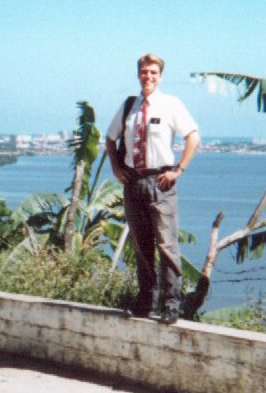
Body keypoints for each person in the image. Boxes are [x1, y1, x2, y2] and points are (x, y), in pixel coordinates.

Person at [105, 53, 200, 324]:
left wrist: (178, 169)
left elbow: (193, 137)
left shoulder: (171, 104)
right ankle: (146, 300)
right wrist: (115, 167)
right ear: (138, 75)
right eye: (145, 72)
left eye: (154, 72)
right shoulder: (128, 106)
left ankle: (172, 304)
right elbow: (110, 139)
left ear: (160, 76)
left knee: (167, 245)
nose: (148, 77)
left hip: (161, 183)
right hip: (133, 182)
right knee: (141, 245)